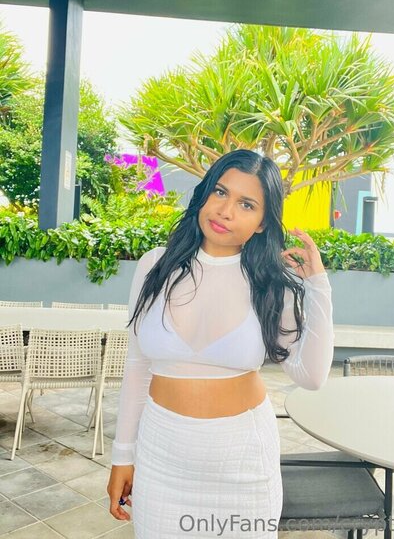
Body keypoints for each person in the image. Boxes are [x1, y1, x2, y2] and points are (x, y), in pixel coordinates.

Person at [106, 148, 335, 538]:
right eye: (220, 192)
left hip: (243, 464)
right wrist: (122, 455)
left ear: (262, 223)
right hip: (161, 456)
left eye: (246, 204)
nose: (225, 211)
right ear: (205, 194)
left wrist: (317, 285)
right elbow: (138, 366)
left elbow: (311, 376)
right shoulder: (154, 266)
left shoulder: (271, 284)